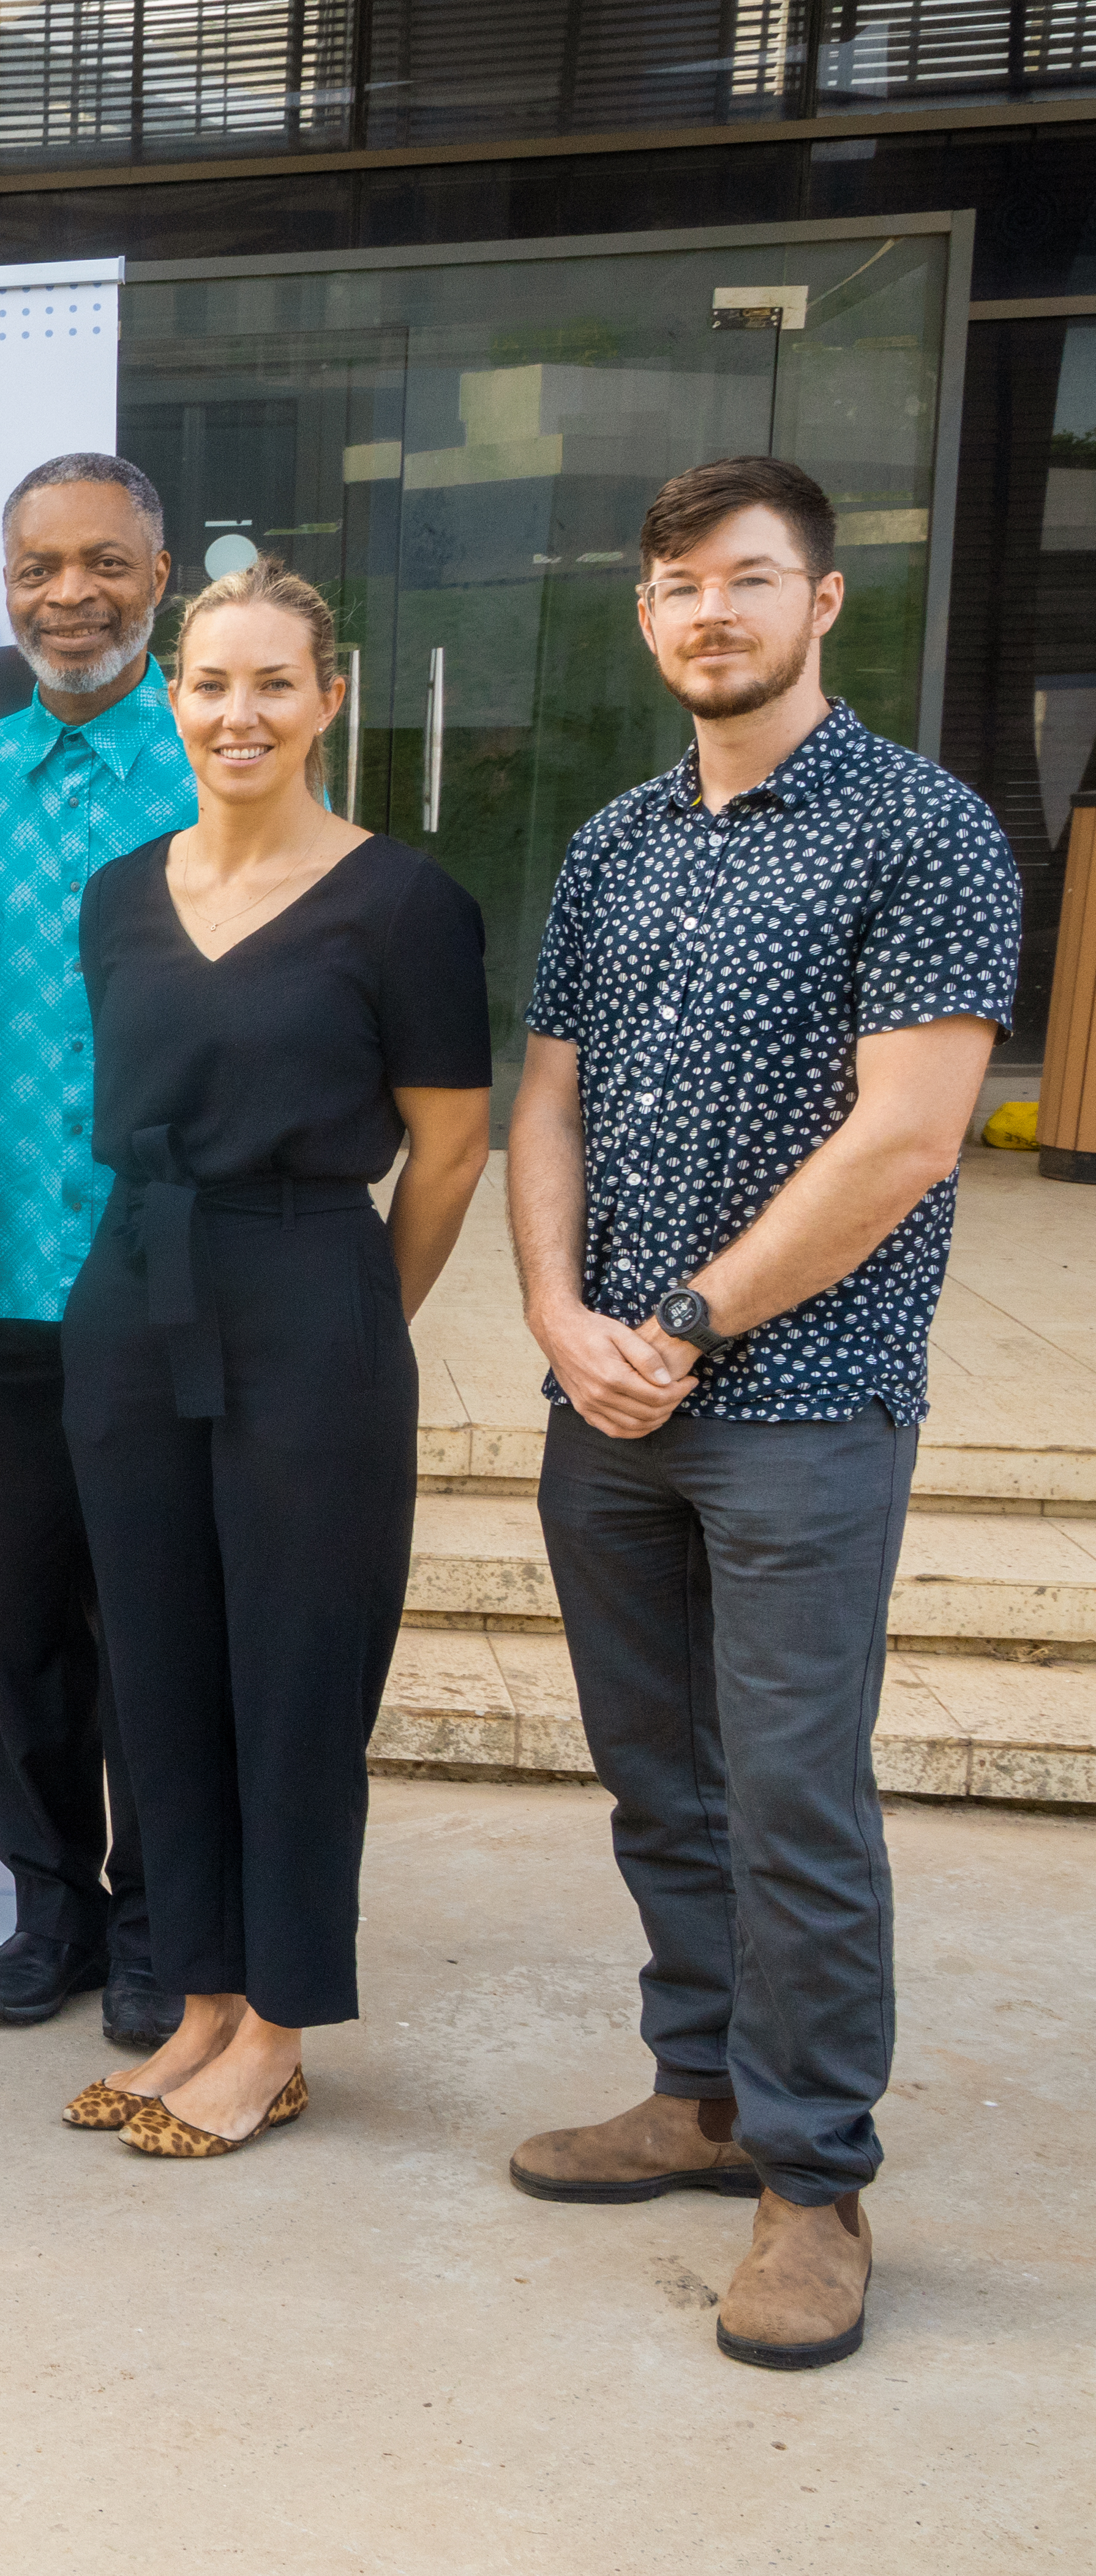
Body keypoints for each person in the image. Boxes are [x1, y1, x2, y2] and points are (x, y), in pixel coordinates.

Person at [505, 455, 1018, 2368]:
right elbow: (545, 1089)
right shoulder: (615, 840)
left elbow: (905, 1134)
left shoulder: (923, 827)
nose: (703, 612)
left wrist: (688, 1317)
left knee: (792, 1791)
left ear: (821, 603)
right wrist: (561, 1313)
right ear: (642, 621)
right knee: (656, 1770)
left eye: (742, 579)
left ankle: (811, 2180)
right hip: (604, 1399)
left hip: (799, 1398)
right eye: (672, 587)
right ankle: (698, 2092)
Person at [57, 559, 490, 2158]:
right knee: (156, 1665)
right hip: (131, 1284)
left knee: (294, 1674)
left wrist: (354, 1311)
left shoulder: (400, 903)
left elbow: (449, 1146)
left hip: (309, 1286)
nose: (233, 712)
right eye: (206, 682)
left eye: (268, 683)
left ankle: (280, 2024)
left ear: (327, 698)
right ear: (171, 696)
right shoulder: (112, 894)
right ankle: (197, 2000)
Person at [0, 456, 196, 2050]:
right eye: (38, 566)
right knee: (22, 1615)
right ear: (5, 582)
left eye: (102, 562)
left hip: (161, 1275)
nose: (67, 593)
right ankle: (51, 1910)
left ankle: (160, 1921)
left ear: (154, 576)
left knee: (150, 1619)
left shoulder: (213, 755)